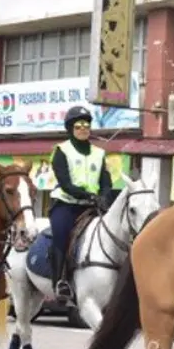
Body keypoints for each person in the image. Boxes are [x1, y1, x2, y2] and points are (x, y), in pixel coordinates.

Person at [48, 106, 113, 299]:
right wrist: (88, 195)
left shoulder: (99, 153)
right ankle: (60, 281)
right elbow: (65, 183)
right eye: (78, 126)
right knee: (61, 233)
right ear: (71, 129)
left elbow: (106, 182)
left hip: (92, 207)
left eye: (87, 125)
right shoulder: (61, 150)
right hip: (66, 204)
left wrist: (104, 196)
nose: (83, 129)